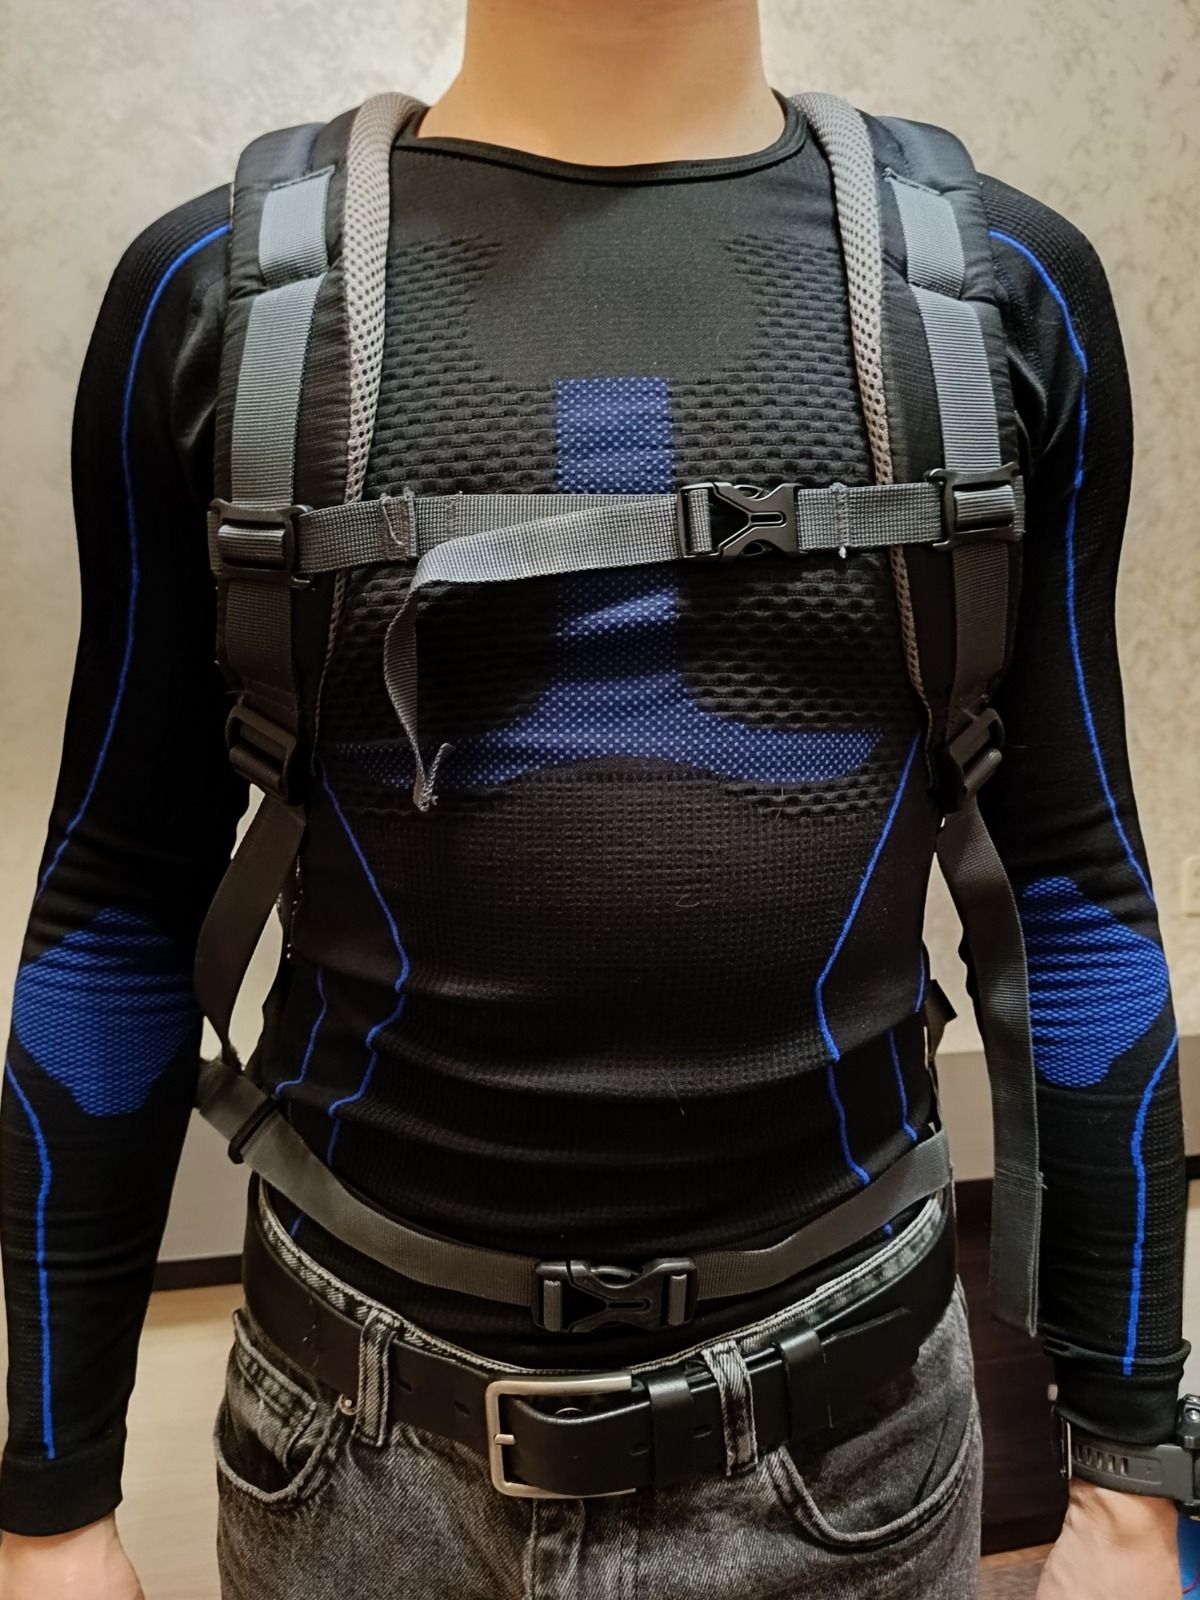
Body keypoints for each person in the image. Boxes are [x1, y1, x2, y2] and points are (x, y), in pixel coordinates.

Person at [0, 1, 1189, 1596]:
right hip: (353, 1461)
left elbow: (1074, 896)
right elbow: (116, 910)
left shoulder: (996, 291)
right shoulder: (215, 295)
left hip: (851, 1452)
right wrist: (52, 1505)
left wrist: (1127, 1479)